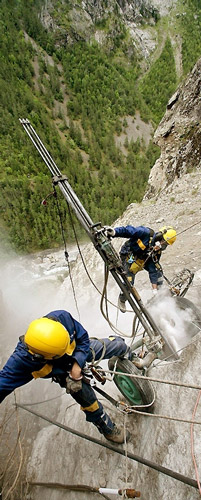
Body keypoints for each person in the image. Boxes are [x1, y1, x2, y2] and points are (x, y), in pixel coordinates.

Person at [0, 310, 131, 444]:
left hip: (79, 350)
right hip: (62, 371)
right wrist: (72, 373)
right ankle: (107, 429)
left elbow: (83, 339)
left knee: (117, 345)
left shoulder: (61, 318)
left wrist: (77, 363)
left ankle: (132, 356)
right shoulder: (22, 363)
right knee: (88, 400)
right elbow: (2, 384)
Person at [106, 225, 177, 312]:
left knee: (158, 273)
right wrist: (115, 232)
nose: (163, 245)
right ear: (159, 236)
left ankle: (160, 295)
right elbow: (129, 230)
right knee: (129, 282)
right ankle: (122, 299)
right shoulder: (145, 233)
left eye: (165, 244)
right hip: (130, 255)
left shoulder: (157, 251)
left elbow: (153, 269)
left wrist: (154, 289)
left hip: (143, 259)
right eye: (163, 241)